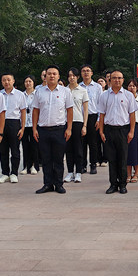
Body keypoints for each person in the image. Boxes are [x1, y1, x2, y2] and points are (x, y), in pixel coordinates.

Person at [32, 65, 74, 194]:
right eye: (49, 74)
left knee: (58, 158)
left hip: (59, 129)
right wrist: (34, 129)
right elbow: (35, 111)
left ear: (58, 76)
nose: (51, 76)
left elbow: (70, 110)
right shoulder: (39, 92)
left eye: (54, 74)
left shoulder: (65, 92)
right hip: (43, 130)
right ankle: (47, 184)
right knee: (46, 159)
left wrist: (69, 128)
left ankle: (59, 184)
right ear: (45, 76)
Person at [99, 70, 137, 194]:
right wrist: (101, 131)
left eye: (119, 78)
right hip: (109, 129)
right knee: (112, 159)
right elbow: (102, 115)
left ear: (123, 79)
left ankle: (122, 184)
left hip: (123, 130)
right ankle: (113, 184)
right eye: (114, 78)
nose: (117, 80)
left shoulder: (128, 95)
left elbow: (132, 115)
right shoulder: (104, 95)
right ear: (110, 80)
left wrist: (131, 131)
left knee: (123, 158)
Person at [0, 73, 27, 184]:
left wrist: (22, 128)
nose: (7, 82)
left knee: (15, 150)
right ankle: (5, 173)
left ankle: (14, 173)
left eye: (9, 80)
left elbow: (23, 111)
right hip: (1, 123)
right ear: (1, 82)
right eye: (4, 80)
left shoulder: (20, 95)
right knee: (3, 150)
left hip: (14, 123)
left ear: (13, 81)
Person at [64, 67, 89, 183]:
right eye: (70, 75)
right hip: (65, 122)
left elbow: (85, 110)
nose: (72, 77)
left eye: (74, 75)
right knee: (68, 148)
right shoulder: (64, 90)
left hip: (78, 122)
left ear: (78, 77)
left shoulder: (82, 90)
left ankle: (78, 172)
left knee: (78, 148)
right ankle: (70, 172)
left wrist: (85, 125)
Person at [80, 64, 102, 175]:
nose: (86, 73)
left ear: (92, 73)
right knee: (82, 143)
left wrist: (99, 119)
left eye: (88, 70)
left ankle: (93, 164)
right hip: (81, 117)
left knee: (93, 143)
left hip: (93, 117)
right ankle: (82, 165)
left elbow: (101, 104)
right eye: (84, 71)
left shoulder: (97, 87)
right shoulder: (78, 87)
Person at [21, 76, 39, 175]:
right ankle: (25, 166)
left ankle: (34, 166)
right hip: (24, 124)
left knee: (34, 146)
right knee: (25, 146)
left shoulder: (37, 94)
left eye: (30, 81)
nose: (28, 83)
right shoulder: (21, 95)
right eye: (26, 81)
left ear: (33, 83)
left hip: (34, 124)